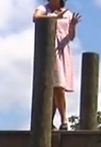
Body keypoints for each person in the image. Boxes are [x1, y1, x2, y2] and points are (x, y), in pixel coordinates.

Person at [32, 0, 81, 130]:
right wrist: (54, 17)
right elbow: (36, 18)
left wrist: (73, 26)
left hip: (62, 50)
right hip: (49, 51)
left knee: (57, 87)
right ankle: (63, 119)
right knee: (56, 86)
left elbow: (70, 36)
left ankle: (52, 121)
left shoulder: (68, 13)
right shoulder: (43, 8)